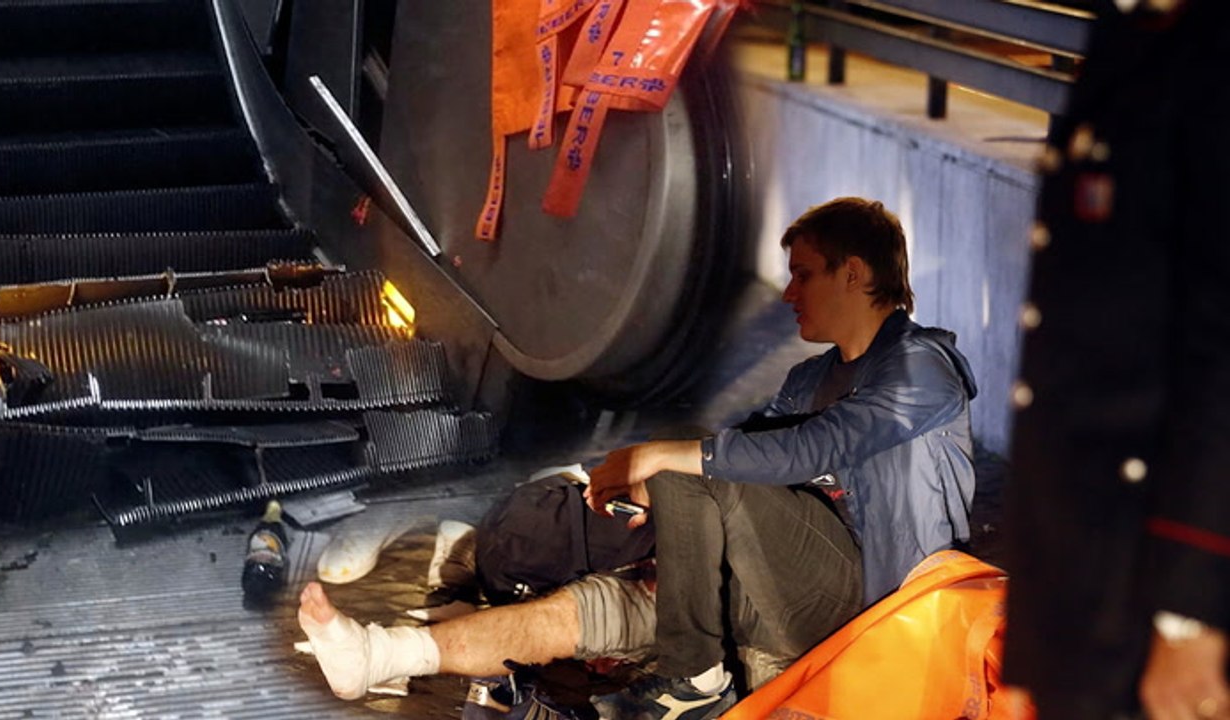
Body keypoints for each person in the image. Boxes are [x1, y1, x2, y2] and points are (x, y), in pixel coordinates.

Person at [298, 197, 978, 718]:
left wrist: (665, 459)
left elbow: (812, 448)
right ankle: (382, 653)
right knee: (583, 608)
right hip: (761, 594)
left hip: (877, 608)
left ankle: (692, 676)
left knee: (690, 471)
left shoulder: (923, 369)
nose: (790, 293)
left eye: (803, 274)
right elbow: (748, 442)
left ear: (853, 274)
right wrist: (640, 496)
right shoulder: (810, 378)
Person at [1002, 2, 1230, 719]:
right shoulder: (1129, 31)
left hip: (1156, 586)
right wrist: (1031, 646)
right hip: (1092, 566)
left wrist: (1191, 618)